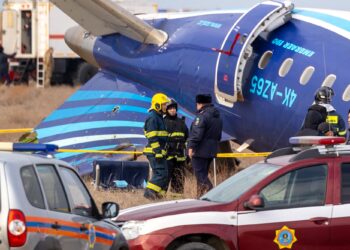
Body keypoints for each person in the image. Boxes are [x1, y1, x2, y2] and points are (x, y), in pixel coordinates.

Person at [187, 94, 223, 197]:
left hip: (200, 151)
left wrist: (191, 147)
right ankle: (200, 198)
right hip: (212, 150)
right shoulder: (217, 116)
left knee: (201, 176)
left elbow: (197, 134)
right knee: (202, 176)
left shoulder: (202, 116)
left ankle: (214, 195)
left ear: (199, 104)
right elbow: (219, 135)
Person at [143, 93, 170, 200]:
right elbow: (152, 137)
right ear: (157, 105)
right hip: (154, 152)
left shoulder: (159, 117)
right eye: (164, 104)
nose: (166, 107)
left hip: (159, 152)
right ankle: (149, 192)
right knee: (161, 174)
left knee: (165, 174)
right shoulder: (153, 117)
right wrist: (158, 151)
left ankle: (159, 196)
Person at [164, 99, 189, 194]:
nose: (172, 110)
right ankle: (160, 200)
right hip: (167, 157)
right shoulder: (162, 122)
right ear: (166, 110)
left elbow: (187, 138)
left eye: (174, 108)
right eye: (170, 108)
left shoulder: (181, 123)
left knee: (179, 180)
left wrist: (186, 154)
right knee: (164, 180)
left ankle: (177, 200)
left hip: (180, 158)